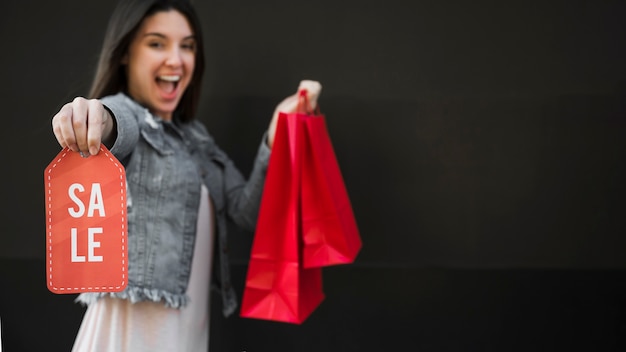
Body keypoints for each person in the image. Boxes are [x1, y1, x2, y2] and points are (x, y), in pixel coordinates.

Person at [51, 0, 322, 351]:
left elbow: (247, 210)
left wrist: (277, 131)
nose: (176, 60)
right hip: (129, 339)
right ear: (125, 54)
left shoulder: (198, 140)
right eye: (156, 43)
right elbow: (115, 123)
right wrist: (92, 115)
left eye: (187, 46)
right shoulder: (127, 114)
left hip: (188, 337)